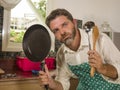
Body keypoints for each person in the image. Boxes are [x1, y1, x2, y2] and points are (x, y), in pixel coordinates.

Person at [39, 8, 120, 90]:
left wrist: (103, 68)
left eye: (64, 25)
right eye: (56, 30)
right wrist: (53, 84)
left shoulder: (101, 40)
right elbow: (63, 85)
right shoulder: (61, 53)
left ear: (74, 23)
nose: (62, 32)